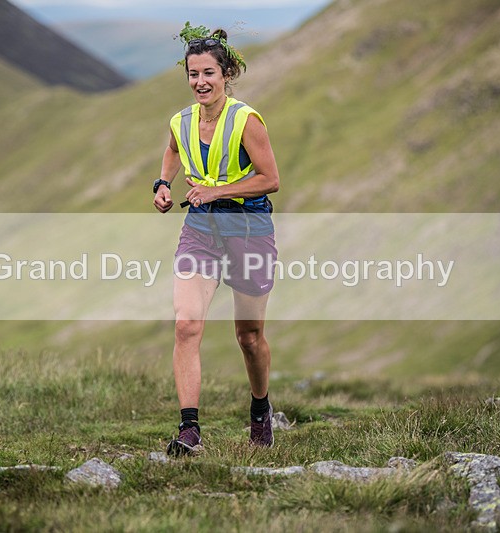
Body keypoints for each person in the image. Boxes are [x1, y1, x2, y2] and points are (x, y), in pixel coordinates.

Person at [152, 24, 281, 456]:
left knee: (248, 336)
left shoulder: (247, 120)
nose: (200, 82)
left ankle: (260, 409)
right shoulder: (181, 120)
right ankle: (190, 430)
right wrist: (162, 184)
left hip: (249, 229)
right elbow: (173, 149)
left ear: (226, 73)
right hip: (201, 229)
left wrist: (215, 191)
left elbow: (271, 179)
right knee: (187, 325)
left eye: (209, 73)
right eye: (193, 74)